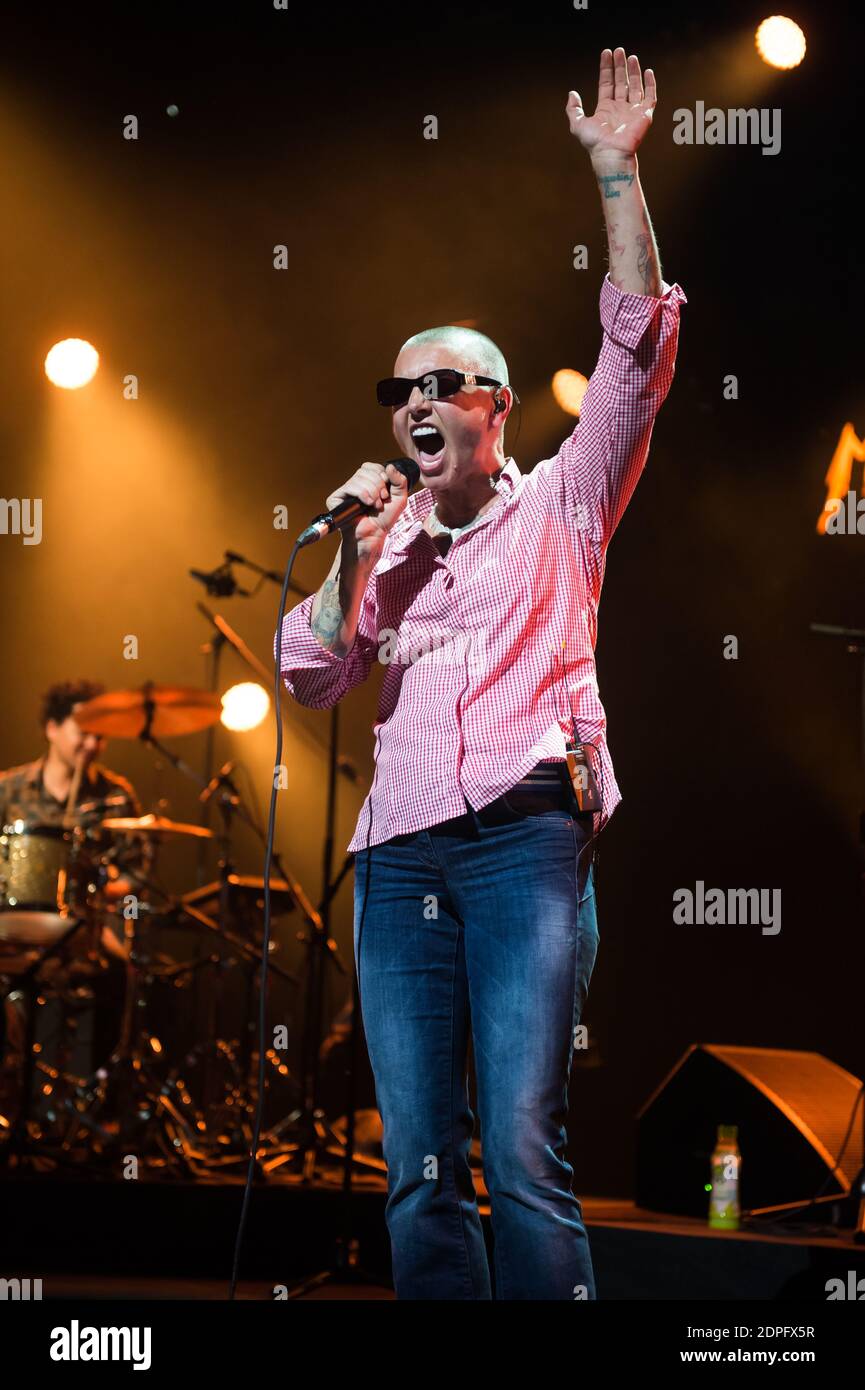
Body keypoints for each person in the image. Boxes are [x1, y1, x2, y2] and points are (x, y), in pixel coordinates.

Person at [278, 49, 687, 1299]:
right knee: (414, 1161)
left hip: (522, 841)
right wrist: (356, 555)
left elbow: (639, 352)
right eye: (400, 387)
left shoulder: (564, 502)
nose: (415, 401)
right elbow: (310, 669)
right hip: (398, 857)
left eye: (440, 383)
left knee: (518, 1146)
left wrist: (616, 174)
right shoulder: (382, 543)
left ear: (496, 406)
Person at [0, 679, 147, 1070]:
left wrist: (100, 894)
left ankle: (96, 1088)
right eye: (84, 733)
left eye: (101, 737)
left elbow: (138, 873)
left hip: (86, 927)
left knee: (120, 971)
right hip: (13, 924)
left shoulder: (116, 796)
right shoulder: (8, 789)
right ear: (52, 727)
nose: (92, 745)